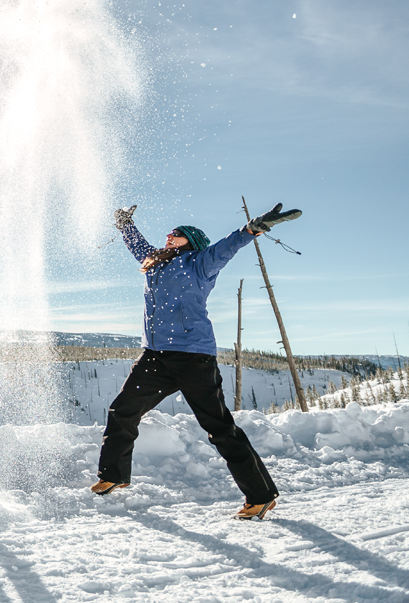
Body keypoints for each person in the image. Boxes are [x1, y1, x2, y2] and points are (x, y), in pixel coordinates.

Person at [92, 203, 302, 520]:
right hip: (155, 355)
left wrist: (253, 227)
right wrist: (124, 223)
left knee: (218, 427)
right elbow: (136, 243)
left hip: (193, 357)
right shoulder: (154, 262)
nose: (168, 236)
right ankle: (114, 474)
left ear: (190, 240)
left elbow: (229, 246)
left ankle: (261, 496)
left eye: (175, 234)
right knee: (122, 410)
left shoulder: (201, 263)